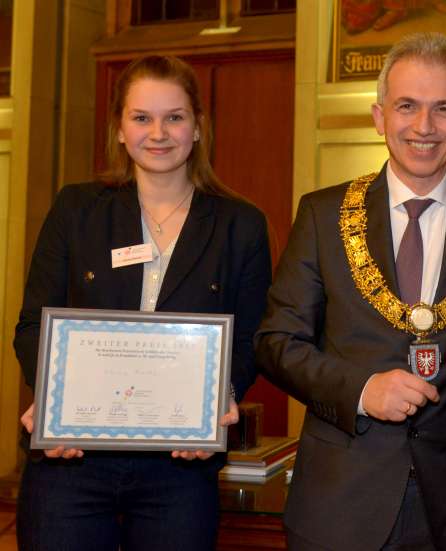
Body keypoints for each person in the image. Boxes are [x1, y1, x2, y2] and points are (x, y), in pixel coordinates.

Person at [256, 32, 446, 550]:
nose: (424, 127)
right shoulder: (322, 214)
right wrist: (361, 390)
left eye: (443, 109)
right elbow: (276, 343)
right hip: (340, 502)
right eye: (407, 106)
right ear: (380, 117)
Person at [14, 55, 271, 550]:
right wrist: (50, 399)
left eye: (175, 117)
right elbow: (32, 325)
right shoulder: (76, 209)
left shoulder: (241, 225)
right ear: (119, 129)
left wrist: (220, 401)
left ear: (198, 127)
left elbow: (250, 340)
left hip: (179, 470)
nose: (159, 132)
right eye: (141, 118)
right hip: (71, 462)